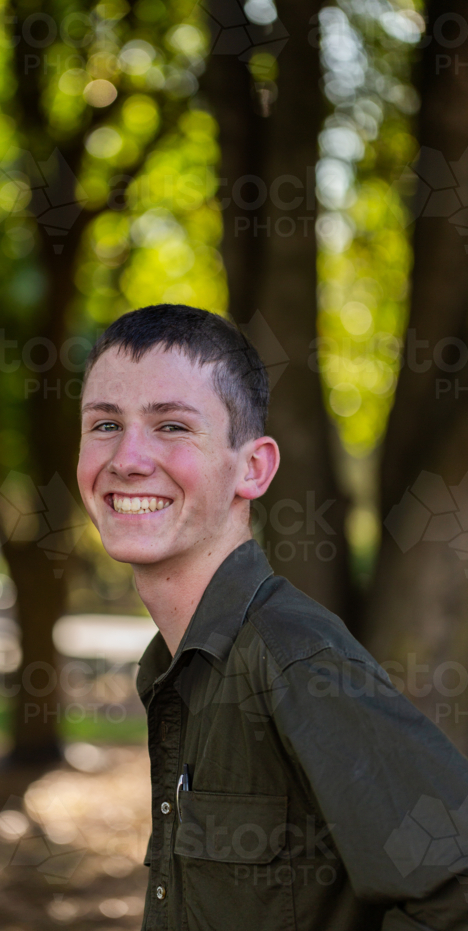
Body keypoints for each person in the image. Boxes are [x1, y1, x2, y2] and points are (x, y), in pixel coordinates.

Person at [76, 303, 468, 931]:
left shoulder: (293, 657)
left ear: (252, 468)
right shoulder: (180, 664)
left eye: (172, 427)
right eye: (104, 425)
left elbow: (455, 888)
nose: (127, 458)